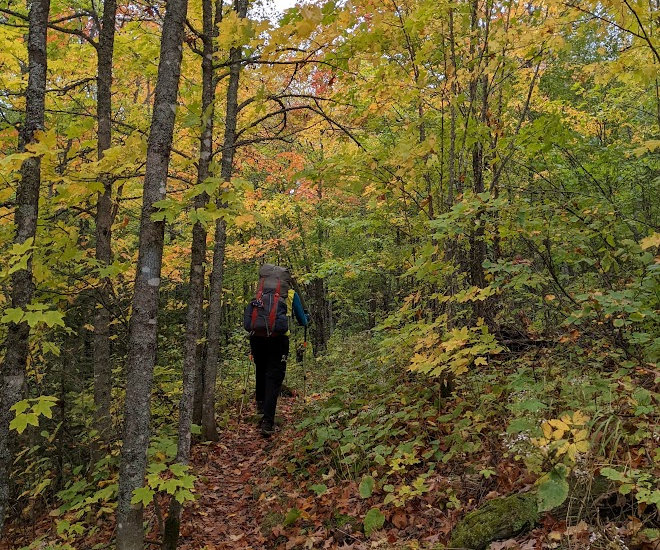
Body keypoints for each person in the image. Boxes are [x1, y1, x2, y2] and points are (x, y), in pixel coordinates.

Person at [244, 264, 310, 436]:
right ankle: (268, 421)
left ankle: (260, 404)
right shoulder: (290, 294)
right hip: (279, 339)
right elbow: (302, 321)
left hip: (257, 337)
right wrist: (306, 318)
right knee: (274, 376)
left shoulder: (259, 292)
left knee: (261, 368)